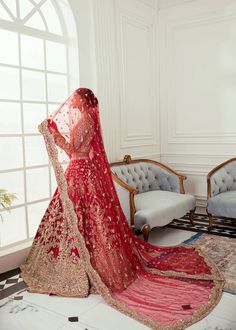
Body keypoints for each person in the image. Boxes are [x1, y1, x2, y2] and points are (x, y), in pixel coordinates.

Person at [21, 88, 224, 330]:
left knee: (86, 220)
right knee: (77, 218)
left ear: (82, 101)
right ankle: (72, 260)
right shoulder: (87, 119)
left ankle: (88, 266)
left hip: (81, 174)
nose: (71, 101)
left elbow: (74, 150)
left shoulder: (85, 120)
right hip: (81, 174)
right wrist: (55, 133)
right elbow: (77, 150)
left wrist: (53, 133)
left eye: (75, 98)